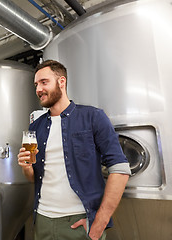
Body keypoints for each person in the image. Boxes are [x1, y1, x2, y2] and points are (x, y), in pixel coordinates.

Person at [17, 60, 130, 240]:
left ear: (61, 82)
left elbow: (120, 169)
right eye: (36, 84)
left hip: (79, 222)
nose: (38, 89)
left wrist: (99, 221)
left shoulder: (93, 117)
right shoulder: (35, 127)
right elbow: (34, 177)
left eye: (44, 82)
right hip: (43, 220)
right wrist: (25, 167)